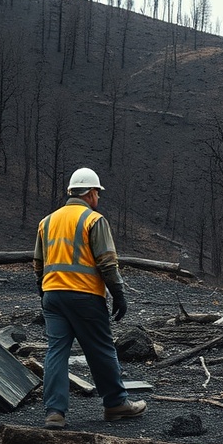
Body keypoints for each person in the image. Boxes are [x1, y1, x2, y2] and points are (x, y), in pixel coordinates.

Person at [33, 167, 147, 429]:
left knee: (56, 352)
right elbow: (107, 263)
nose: (98, 198)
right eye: (98, 192)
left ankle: (55, 413)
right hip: (84, 296)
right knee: (101, 350)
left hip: (53, 297)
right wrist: (118, 295)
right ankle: (116, 404)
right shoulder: (94, 220)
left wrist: (44, 292)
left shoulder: (46, 221)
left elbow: (38, 264)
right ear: (92, 192)